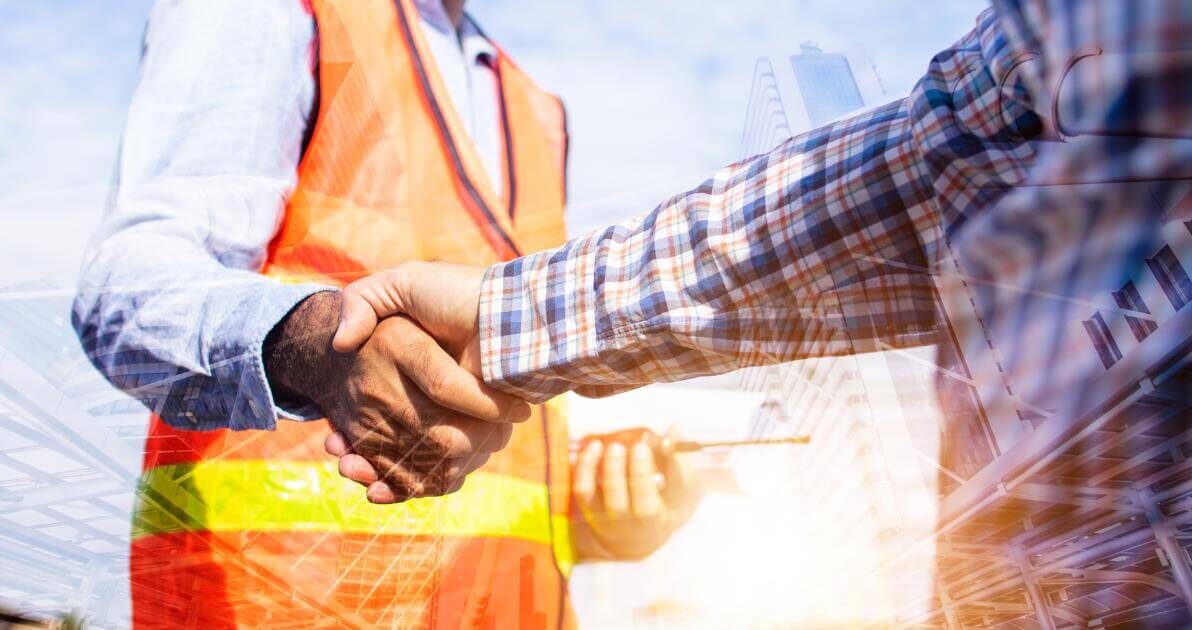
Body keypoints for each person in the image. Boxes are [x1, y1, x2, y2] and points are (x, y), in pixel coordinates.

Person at [326, 0, 1192, 530]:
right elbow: (954, 168)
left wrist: (510, 329)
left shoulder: (533, 110)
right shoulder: (293, 18)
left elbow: (946, 172)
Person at [72, 0, 696, 627]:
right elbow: (124, 289)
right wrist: (314, 347)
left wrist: (597, 510)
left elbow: (499, 466)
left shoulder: (538, 111)